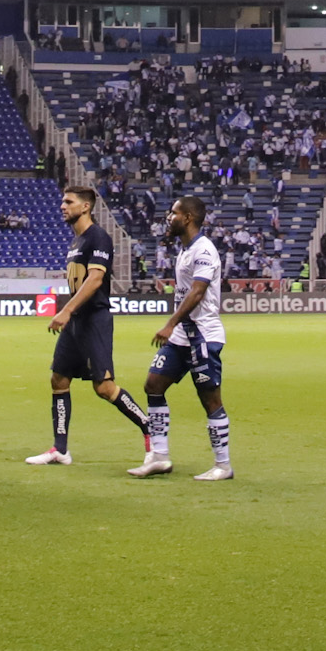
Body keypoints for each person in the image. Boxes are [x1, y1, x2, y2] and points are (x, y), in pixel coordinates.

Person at [28, 185, 152, 466]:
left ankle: (149, 427)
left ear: (85, 206)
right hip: (77, 321)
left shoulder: (98, 237)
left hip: (93, 318)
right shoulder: (77, 241)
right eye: (62, 201)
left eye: (68, 201)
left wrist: (66, 311)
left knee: (104, 387)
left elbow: (95, 279)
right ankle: (60, 449)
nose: (63, 205)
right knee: (58, 379)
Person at [131, 195, 231, 480]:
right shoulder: (186, 250)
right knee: (153, 385)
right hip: (182, 336)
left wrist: (169, 323)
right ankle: (159, 456)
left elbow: (198, 292)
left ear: (187, 217)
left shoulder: (204, 250)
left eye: (173, 213)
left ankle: (223, 465)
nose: (168, 217)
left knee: (210, 400)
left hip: (203, 335)